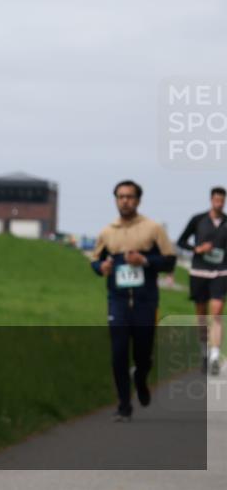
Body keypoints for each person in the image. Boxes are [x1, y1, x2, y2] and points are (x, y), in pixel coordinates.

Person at [89, 180, 177, 422]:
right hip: (117, 300)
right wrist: (102, 266)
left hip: (145, 301)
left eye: (129, 196)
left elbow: (170, 261)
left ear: (138, 200)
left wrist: (146, 261)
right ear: (116, 200)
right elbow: (95, 261)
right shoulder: (107, 232)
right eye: (120, 197)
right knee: (118, 353)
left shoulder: (153, 228)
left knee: (143, 354)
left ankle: (140, 378)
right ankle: (124, 405)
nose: (124, 201)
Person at [177, 186, 227, 375]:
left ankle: (214, 355)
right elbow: (181, 241)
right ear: (211, 200)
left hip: (221, 273)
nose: (219, 203)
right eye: (216, 200)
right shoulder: (198, 220)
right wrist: (197, 249)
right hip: (199, 272)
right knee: (202, 315)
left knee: (217, 313)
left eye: (222, 201)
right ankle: (204, 353)